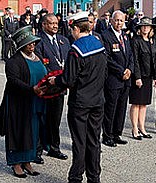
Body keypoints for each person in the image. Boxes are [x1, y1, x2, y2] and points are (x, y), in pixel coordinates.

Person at [48, 11, 107, 183]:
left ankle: (75, 177)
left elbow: (68, 79)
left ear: (75, 28)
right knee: (94, 141)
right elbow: (105, 72)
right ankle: (94, 176)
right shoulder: (99, 44)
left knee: (79, 142)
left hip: (80, 102)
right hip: (97, 100)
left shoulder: (76, 50)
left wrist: (54, 80)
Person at [0, 25, 46, 178]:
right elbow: (13, 81)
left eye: (33, 43)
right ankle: (16, 163)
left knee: (33, 130)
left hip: (36, 100)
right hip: (19, 102)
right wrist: (32, 89)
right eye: (29, 43)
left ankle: (28, 161)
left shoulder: (38, 57)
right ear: (22, 45)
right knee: (19, 131)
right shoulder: (13, 61)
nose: (32, 46)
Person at [35, 13, 70, 163]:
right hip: (46, 87)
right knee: (42, 119)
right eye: (51, 23)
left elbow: (69, 61)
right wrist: (51, 78)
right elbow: (39, 63)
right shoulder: (39, 41)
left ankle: (54, 148)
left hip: (60, 86)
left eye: (56, 23)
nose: (55, 26)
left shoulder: (64, 40)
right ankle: (37, 150)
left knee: (55, 119)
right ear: (44, 25)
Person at [102, 10, 134, 147]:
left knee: (121, 108)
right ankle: (107, 135)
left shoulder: (125, 36)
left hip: (126, 79)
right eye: (116, 20)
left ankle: (117, 133)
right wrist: (121, 71)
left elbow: (131, 55)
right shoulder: (106, 36)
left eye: (121, 21)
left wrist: (130, 70)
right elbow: (107, 58)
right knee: (111, 108)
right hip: (113, 79)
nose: (119, 23)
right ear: (111, 21)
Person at [129, 17, 156, 140]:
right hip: (139, 76)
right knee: (136, 103)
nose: (145, 28)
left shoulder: (152, 41)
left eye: (148, 26)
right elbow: (134, 60)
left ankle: (142, 127)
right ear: (140, 28)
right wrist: (137, 77)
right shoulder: (136, 40)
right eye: (143, 26)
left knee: (144, 104)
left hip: (148, 76)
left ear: (151, 28)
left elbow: (155, 60)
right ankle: (135, 128)